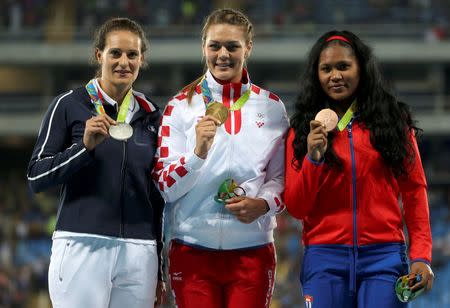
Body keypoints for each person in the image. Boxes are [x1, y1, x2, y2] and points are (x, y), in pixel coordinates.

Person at [284, 30, 434, 308]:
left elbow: (414, 191)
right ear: (316, 75)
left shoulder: (392, 120)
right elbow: (296, 207)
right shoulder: (302, 129)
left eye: (344, 66)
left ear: (361, 68)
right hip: (324, 257)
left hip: (384, 257)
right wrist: (314, 159)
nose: (335, 75)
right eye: (326, 69)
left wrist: (421, 256)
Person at [152, 8, 289, 308]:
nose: (223, 54)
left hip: (252, 252)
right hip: (192, 252)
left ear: (248, 48)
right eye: (215, 46)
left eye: (232, 46)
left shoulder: (273, 108)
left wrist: (263, 204)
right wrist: (197, 154)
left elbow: (282, 179)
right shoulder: (179, 106)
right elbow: (164, 186)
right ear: (204, 47)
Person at [27, 17, 165, 308]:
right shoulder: (69, 105)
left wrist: (160, 264)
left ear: (142, 60)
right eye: (115, 53)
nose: (124, 62)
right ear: (99, 55)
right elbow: (36, 177)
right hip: (82, 243)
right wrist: (84, 147)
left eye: (132, 54)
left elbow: (159, 196)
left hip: (140, 251)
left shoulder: (154, 115)